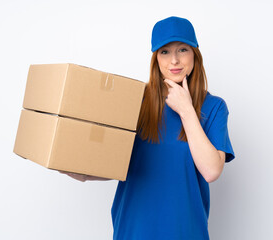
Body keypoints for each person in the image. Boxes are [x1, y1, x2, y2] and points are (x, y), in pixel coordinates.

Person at [60, 16, 235, 240]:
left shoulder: (214, 108)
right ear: (155, 58)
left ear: (194, 54)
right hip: (134, 229)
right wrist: (81, 172)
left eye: (182, 49)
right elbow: (124, 167)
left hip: (185, 232)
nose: (174, 60)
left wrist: (186, 110)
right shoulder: (134, 101)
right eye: (164, 51)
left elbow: (211, 171)